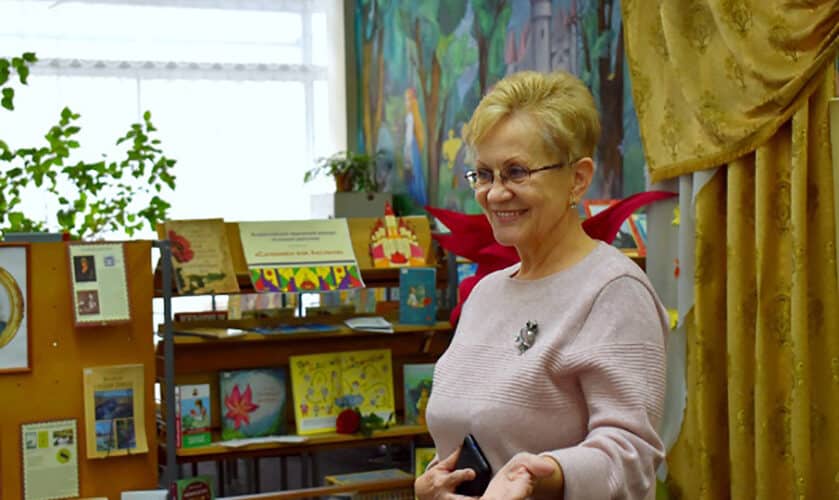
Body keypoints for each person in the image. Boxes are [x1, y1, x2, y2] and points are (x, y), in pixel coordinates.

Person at [416, 70, 668, 500]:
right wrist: (433, 485)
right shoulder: (485, 293)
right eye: (484, 174)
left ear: (578, 178)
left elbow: (631, 457)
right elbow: (465, 434)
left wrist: (544, 474)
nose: (495, 193)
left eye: (516, 172)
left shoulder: (614, 291)